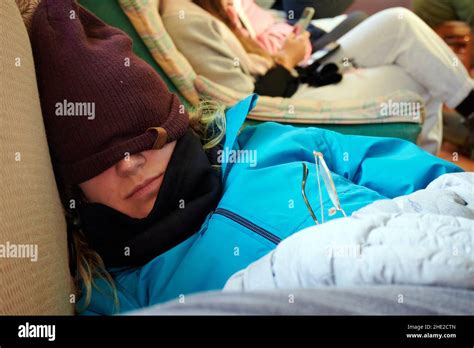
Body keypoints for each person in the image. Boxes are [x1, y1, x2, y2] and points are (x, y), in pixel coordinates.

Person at [30, 0, 462, 315]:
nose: (129, 163)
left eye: (144, 137)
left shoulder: (264, 146)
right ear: (73, 184)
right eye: (98, 159)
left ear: (174, 126)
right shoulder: (114, 291)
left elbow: (402, 170)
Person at [162, 0, 474, 154]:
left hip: (297, 71)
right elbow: (247, 103)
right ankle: (431, 169)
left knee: (399, 24)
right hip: (287, 99)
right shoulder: (189, 21)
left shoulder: (214, 7)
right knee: (412, 75)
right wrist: (287, 57)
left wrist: (288, 50)